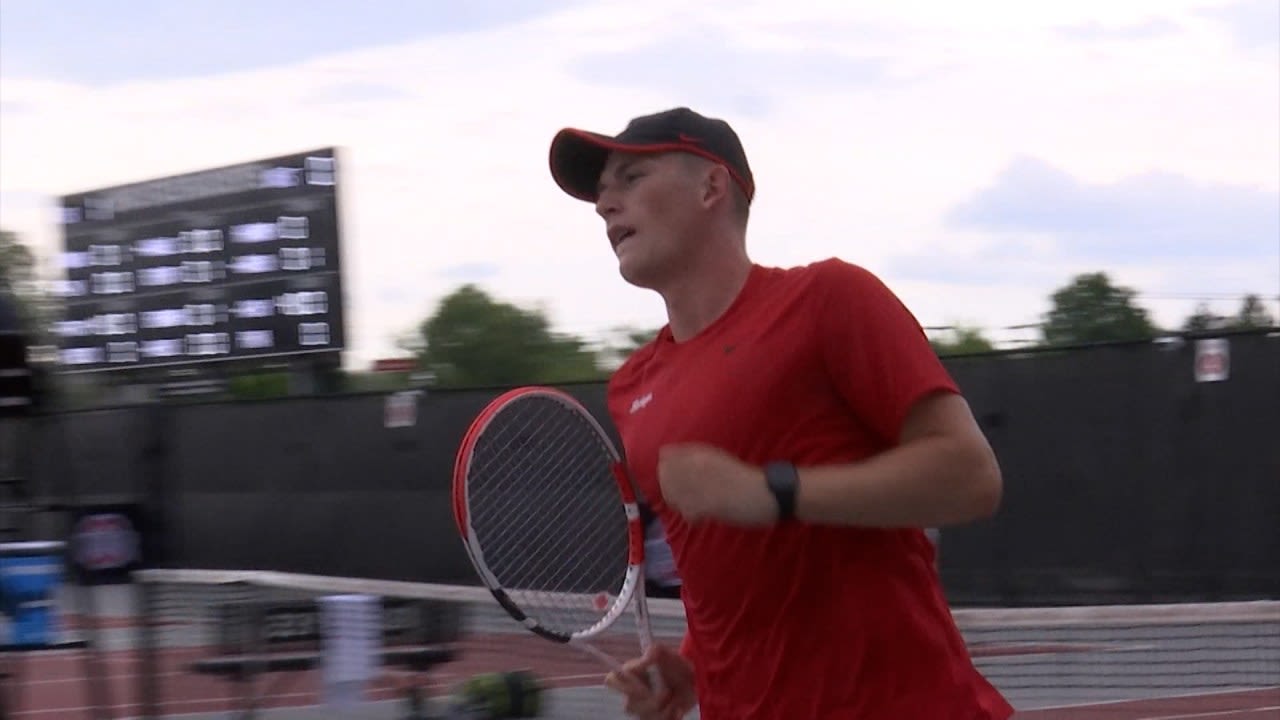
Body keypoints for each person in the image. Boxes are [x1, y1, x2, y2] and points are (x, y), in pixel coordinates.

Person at [547, 107, 1013, 719]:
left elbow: (971, 478)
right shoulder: (633, 386)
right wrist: (691, 663)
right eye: (602, 191)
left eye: (631, 179)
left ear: (712, 187)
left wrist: (773, 491)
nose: (605, 203)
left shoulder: (829, 300)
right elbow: (733, 581)